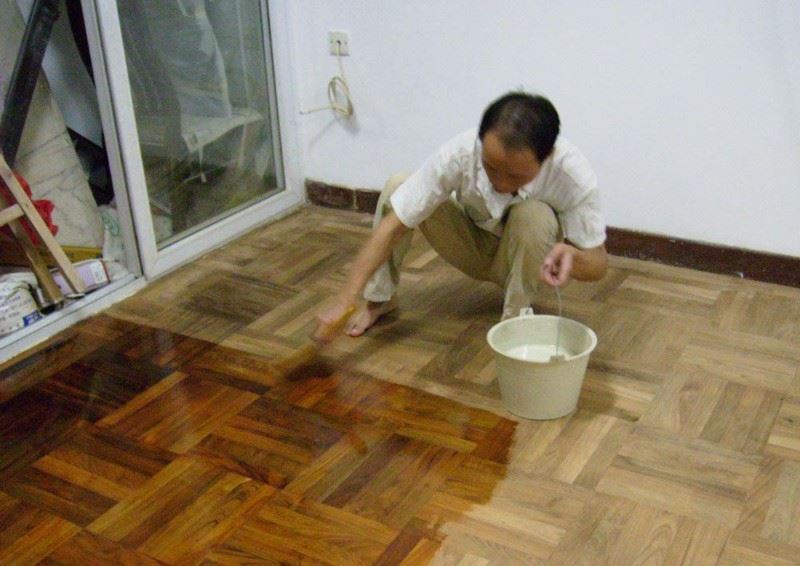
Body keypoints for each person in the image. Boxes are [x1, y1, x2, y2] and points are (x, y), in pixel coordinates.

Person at [315, 92, 608, 340]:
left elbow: (598, 264)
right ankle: (380, 300)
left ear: (548, 156)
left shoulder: (572, 175)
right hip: (472, 248)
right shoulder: (460, 154)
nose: (501, 183)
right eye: (491, 168)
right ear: (481, 140)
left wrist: (573, 256)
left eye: (515, 176)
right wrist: (345, 299)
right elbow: (393, 227)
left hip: (529, 261)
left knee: (535, 215)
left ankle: (513, 324)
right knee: (399, 186)